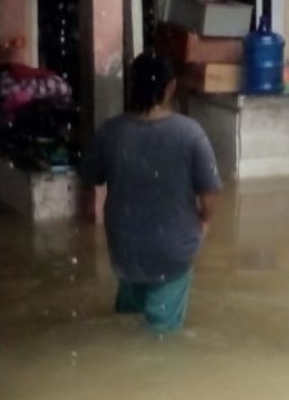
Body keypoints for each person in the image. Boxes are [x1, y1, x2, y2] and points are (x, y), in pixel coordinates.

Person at [82, 52, 221, 332]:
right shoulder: (191, 134)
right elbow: (209, 196)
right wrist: (203, 224)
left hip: (124, 249)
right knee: (159, 339)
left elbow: (89, 187)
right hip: (173, 251)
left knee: (125, 322)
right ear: (170, 87)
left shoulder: (110, 132)